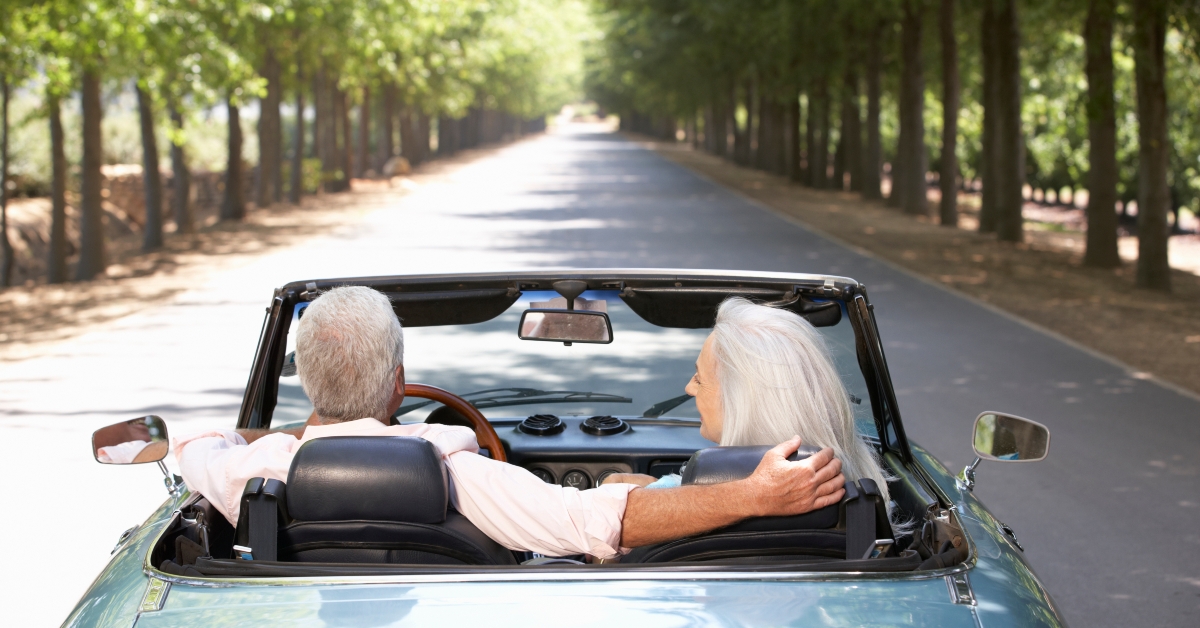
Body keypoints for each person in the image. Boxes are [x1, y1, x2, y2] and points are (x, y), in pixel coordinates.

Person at [174, 287, 846, 561]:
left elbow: (198, 441)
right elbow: (590, 525)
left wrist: (304, 431)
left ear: (306, 378)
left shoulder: (244, 473)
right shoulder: (458, 475)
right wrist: (756, 495)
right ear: (400, 381)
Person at [604, 298, 892, 512]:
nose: (689, 388)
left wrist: (651, 494)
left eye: (699, 378)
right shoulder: (865, 499)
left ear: (740, 403)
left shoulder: (683, 504)